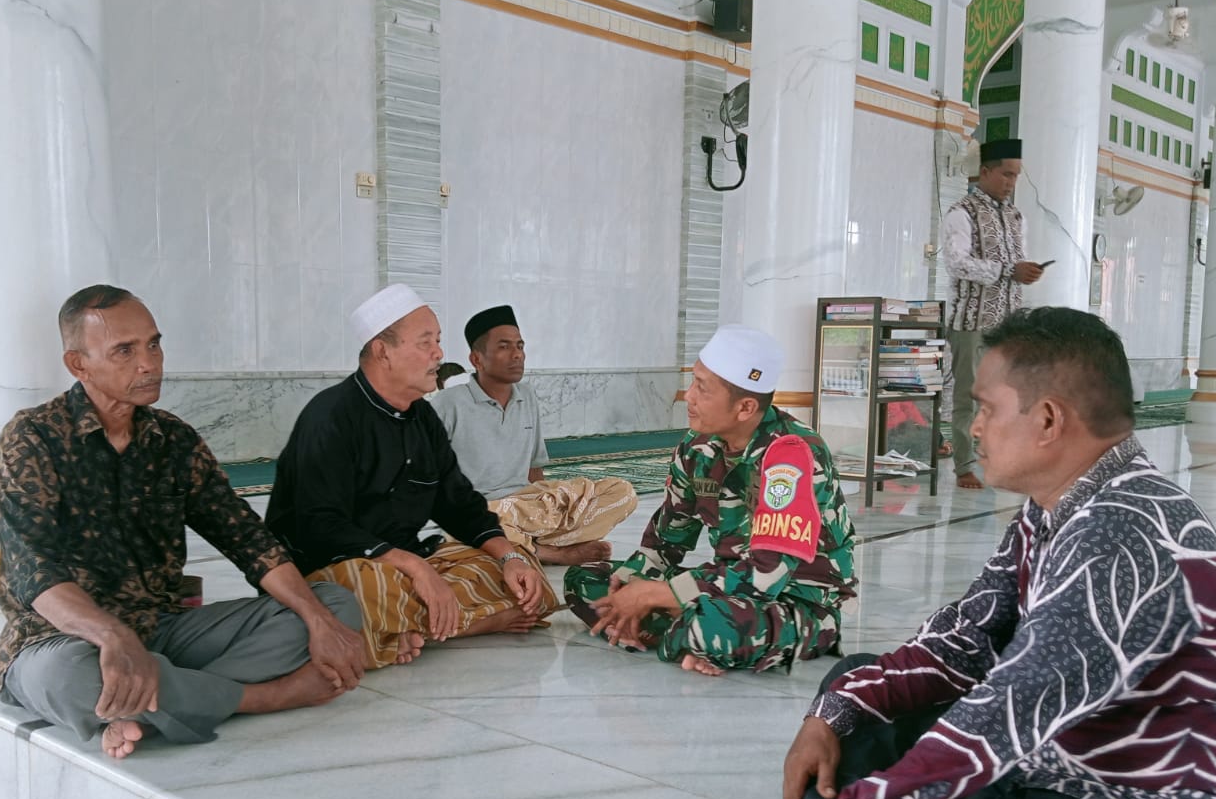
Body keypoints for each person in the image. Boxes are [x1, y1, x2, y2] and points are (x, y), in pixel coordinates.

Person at [677, 308, 1216, 799]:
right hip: (1064, 751)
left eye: (985, 408)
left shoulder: (1120, 535)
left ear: (1048, 420)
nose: (973, 427)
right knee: (856, 687)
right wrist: (829, 715)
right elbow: (964, 641)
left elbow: (1010, 710)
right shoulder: (1060, 505)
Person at [0, 286, 368, 760]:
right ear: (78, 365)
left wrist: (317, 619)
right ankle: (262, 697)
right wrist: (112, 636)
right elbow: (34, 570)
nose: (149, 363)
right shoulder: (32, 437)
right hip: (64, 639)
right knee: (66, 678)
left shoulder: (173, 440)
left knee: (335, 606)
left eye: (153, 344)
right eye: (125, 351)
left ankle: (153, 706)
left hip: (163, 629)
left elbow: (248, 539)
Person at [265, 284, 559, 668]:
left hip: (406, 566)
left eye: (437, 341)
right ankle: (460, 624)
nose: (439, 353)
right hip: (334, 569)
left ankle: (409, 630)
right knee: (362, 592)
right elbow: (319, 526)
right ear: (382, 351)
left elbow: (458, 503)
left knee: (521, 574)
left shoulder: (423, 419)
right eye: (426, 342)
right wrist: (413, 566)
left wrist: (509, 557)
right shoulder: (331, 417)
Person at [564, 325, 856, 676]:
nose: (688, 396)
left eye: (702, 388)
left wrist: (656, 596)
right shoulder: (696, 448)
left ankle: (692, 633)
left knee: (711, 626)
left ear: (745, 407)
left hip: (797, 602)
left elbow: (765, 576)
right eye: (693, 381)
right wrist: (627, 587)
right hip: (725, 588)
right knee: (585, 580)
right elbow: (664, 544)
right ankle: (682, 634)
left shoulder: (792, 455)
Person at [434, 305, 638, 565]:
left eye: (520, 346)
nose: (517, 354)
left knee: (621, 492)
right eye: (504, 347)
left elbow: (534, 467)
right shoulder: (447, 404)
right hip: (481, 508)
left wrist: (550, 507)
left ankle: (531, 543)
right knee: (468, 522)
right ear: (476, 359)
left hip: (527, 504)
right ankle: (553, 553)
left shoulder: (527, 396)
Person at [943, 137, 1043, 489]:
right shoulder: (962, 212)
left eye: (1016, 176)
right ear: (985, 171)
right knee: (969, 397)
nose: (1011, 182)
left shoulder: (1016, 217)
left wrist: (1026, 272)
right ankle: (964, 466)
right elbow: (956, 263)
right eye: (1006, 174)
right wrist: (1008, 271)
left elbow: (1016, 263)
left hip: (1009, 326)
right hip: (972, 323)